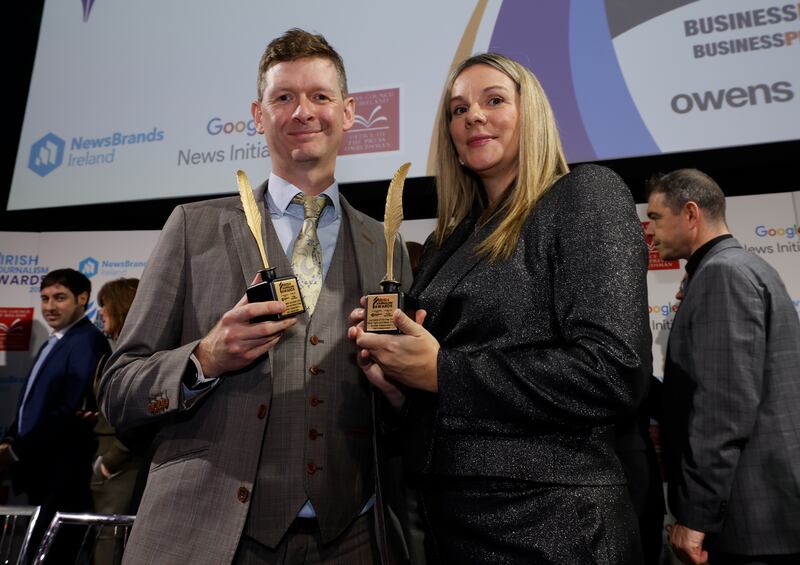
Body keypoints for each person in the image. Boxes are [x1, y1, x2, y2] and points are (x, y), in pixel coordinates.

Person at [98, 28, 411, 565]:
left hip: (352, 538)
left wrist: (402, 393)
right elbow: (119, 387)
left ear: (350, 111)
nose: (303, 112)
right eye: (283, 97)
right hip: (213, 535)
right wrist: (204, 358)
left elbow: (395, 406)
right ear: (258, 115)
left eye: (320, 96)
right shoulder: (194, 228)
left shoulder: (384, 244)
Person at [349, 53, 651, 564]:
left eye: (494, 100)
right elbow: (447, 387)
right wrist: (401, 389)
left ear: (530, 113)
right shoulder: (450, 239)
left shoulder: (583, 196)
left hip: (550, 523)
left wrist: (442, 372)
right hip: (448, 522)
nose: (473, 117)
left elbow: (613, 372)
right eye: (458, 109)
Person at [645, 169, 800, 565]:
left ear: (691, 213)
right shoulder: (739, 267)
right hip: (758, 516)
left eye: (657, 217)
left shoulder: (723, 274)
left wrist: (697, 515)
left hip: (749, 523)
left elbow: (724, 408)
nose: (650, 229)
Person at [0, 268, 110, 562]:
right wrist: (10, 439)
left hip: (63, 475)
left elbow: (68, 409)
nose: (49, 306)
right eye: (45, 298)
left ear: (82, 298)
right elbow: (30, 404)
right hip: (39, 471)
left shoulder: (87, 341)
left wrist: (17, 452)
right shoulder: (55, 342)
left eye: (59, 298)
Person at [91, 278, 143, 565]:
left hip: (125, 471)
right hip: (106, 471)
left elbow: (145, 420)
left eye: (105, 305)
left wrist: (111, 461)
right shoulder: (111, 354)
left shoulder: (144, 356)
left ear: (123, 307)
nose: (100, 312)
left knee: (112, 549)